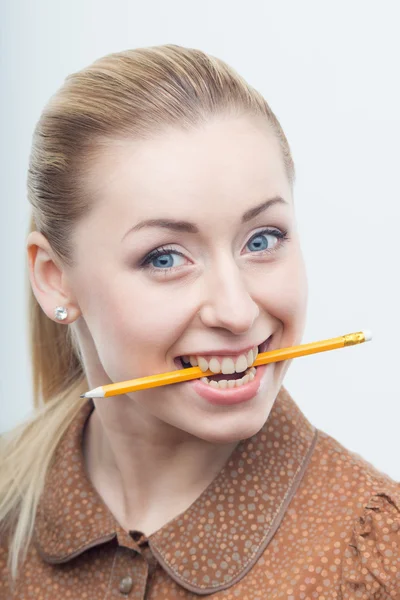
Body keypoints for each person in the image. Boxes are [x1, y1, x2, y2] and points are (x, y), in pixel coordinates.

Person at [0, 44, 398, 600]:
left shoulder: (375, 555)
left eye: (262, 240)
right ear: (54, 279)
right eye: (164, 257)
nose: (236, 312)